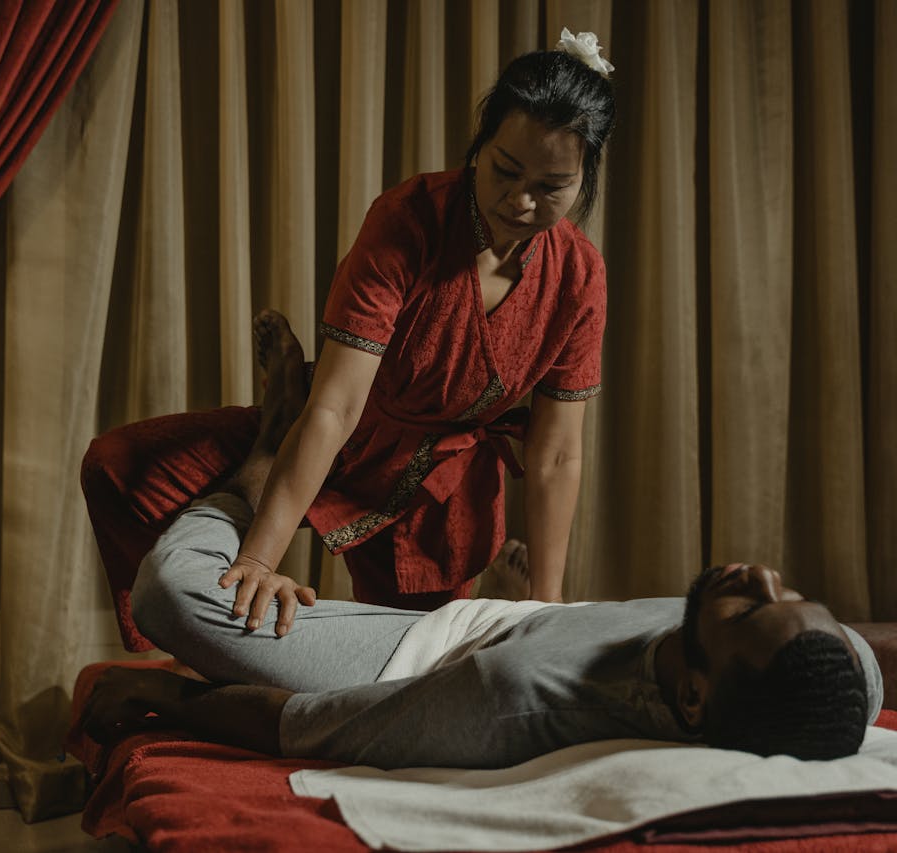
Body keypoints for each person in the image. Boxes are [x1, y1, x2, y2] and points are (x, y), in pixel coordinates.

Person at [80, 34, 619, 649]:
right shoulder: (408, 220)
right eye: (504, 170)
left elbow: (555, 455)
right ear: (480, 147)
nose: (521, 201)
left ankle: (498, 599)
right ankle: (276, 424)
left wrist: (545, 611)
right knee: (119, 469)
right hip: (338, 431)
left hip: (439, 489)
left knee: (408, 666)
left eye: (552, 187)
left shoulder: (580, 276)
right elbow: (335, 409)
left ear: (584, 179)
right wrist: (258, 561)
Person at [79, 487, 884, 769]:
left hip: (424, 656)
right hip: (537, 621)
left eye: (748, 608)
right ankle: (520, 601)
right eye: (789, 591)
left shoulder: (517, 696)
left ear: (695, 696)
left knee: (170, 596)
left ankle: (255, 462)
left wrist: (164, 695)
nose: (757, 574)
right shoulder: (848, 671)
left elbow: (305, 728)